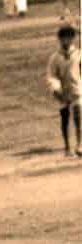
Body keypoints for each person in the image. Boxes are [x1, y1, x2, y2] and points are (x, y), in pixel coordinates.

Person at [48, 23, 82, 157]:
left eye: (69, 38)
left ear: (73, 38)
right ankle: (67, 146)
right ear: (59, 39)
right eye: (63, 38)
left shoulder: (78, 54)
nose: (66, 41)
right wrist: (55, 88)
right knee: (65, 117)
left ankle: (80, 144)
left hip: (77, 89)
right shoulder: (55, 57)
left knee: (79, 116)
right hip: (62, 91)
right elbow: (51, 75)